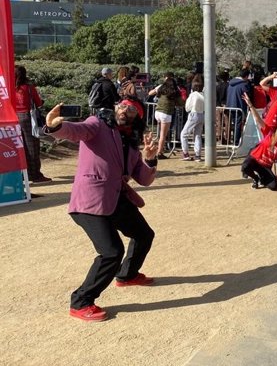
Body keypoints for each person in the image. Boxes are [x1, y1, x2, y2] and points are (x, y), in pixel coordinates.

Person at [44, 97, 158, 322]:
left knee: (144, 234)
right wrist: (54, 126)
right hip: (90, 201)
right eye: (124, 105)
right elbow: (77, 131)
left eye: (133, 110)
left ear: (138, 118)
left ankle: (127, 275)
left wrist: (150, 160)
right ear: (117, 106)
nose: (126, 110)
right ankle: (81, 301)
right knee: (111, 252)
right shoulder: (98, 124)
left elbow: (144, 179)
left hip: (116, 198)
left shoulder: (132, 143)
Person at [14, 65, 51, 183]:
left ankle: (22, 174)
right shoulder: (29, 87)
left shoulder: (11, 87)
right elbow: (38, 103)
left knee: (20, 148)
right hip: (28, 117)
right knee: (32, 147)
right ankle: (35, 175)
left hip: (14, 118)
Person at [240, 121, 277, 190]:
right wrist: (252, 109)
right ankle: (255, 178)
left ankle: (262, 178)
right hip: (255, 159)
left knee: (273, 186)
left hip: (266, 165)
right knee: (245, 167)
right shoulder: (269, 133)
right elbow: (259, 121)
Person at [152, 77, 185, 158]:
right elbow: (180, 103)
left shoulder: (161, 90)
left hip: (157, 112)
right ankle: (159, 153)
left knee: (160, 134)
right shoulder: (174, 92)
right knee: (163, 135)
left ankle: (159, 149)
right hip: (166, 113)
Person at [180, 76, 204, 162]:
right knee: (197, 135)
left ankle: (185, 153)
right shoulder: (203, 95)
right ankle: (198, 155)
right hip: (202, 114)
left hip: (193, 114)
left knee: (184, 134)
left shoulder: (193, 95)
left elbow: (187, 107)